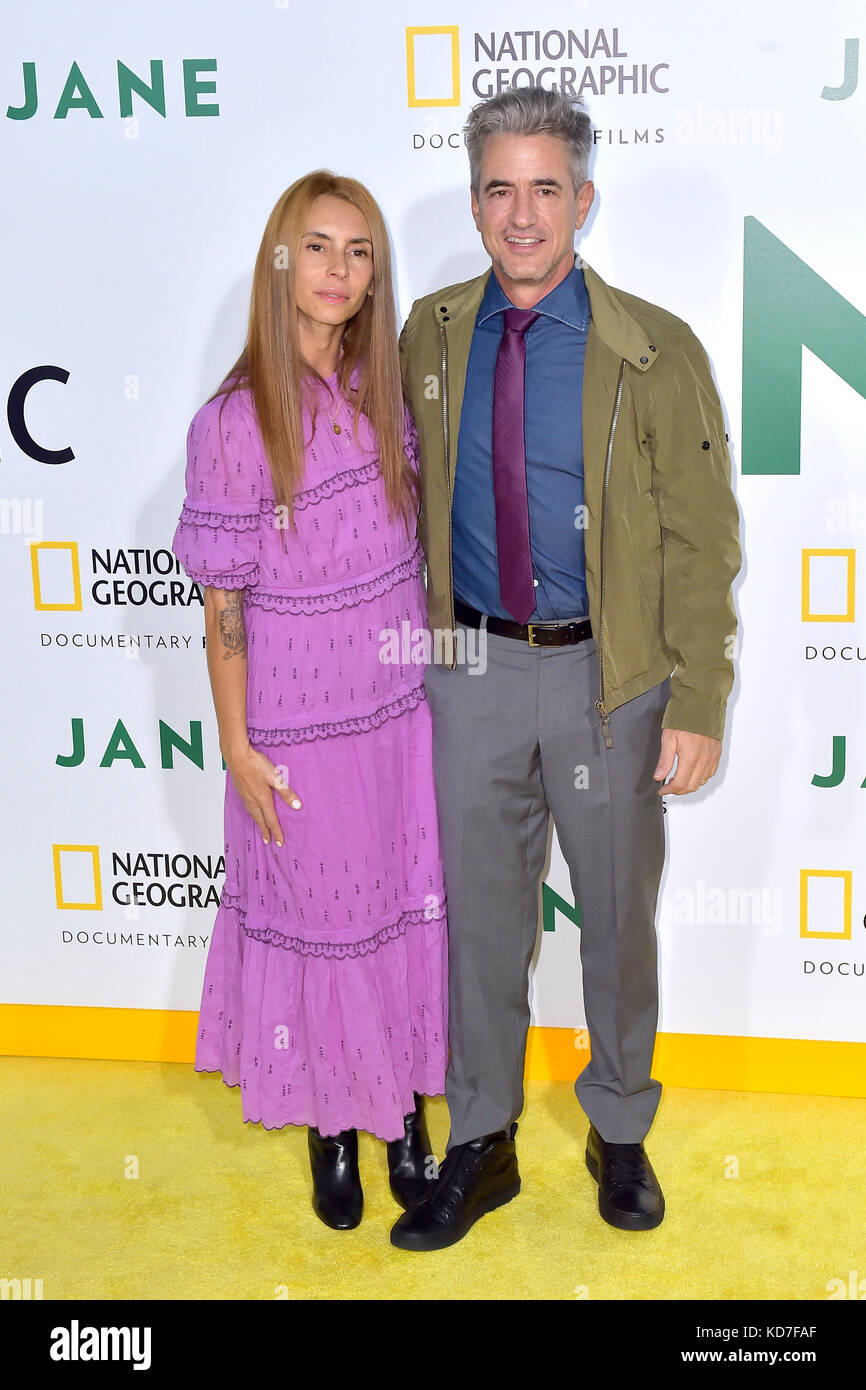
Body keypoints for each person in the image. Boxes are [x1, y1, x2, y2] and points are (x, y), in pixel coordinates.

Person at [390, 88, 741, 1252]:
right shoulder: (430, 333)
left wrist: (694, 701)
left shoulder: (653, 347)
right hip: (471, 670)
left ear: (581, 200)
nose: (522, 213)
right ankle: (479, 1136)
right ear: (475, 199)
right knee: (481, 923)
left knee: (615, 923)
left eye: (546, 187)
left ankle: (619, 1130)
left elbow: (703, 540)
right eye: (499, 187)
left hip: (612, 681)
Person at [171, 170, 448, 1232]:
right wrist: (236, 743)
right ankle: (334, 1127)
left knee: (405, 918)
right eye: (317, 246)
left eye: (359, 250)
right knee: (327, 927)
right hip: (299, 738)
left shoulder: (390, 397)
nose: (338, 269)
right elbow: (223, 607)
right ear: (280, 264)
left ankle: (409, 1114)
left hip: (404, 717)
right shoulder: (233, 424)